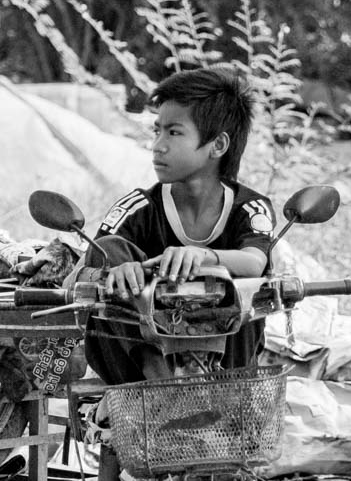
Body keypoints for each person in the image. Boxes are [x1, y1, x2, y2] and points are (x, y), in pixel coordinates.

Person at [84, 65, 275, 384]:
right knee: (107, 250)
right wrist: (118, 272)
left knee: (247, 292)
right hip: (142, 376)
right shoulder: (137, 208)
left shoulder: (250, 207)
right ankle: (162, 388)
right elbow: (90, 262)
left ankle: (225, 398)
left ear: (218, 145)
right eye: (157, 130)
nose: (157, 145)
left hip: (226, 370)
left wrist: (203, 256)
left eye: (174, 132)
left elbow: (255, 262)